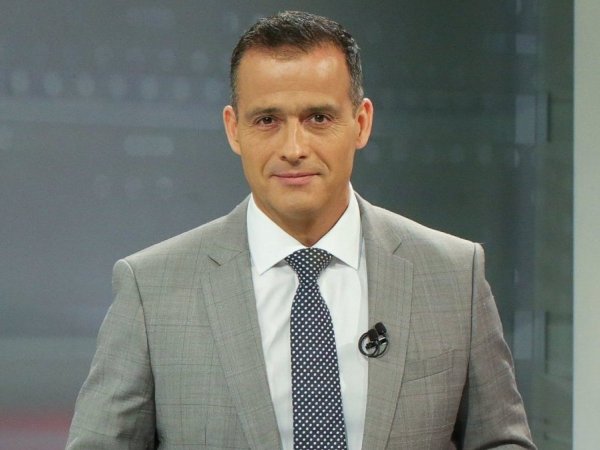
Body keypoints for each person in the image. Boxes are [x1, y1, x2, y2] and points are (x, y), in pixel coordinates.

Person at [66, 10, 536, 450]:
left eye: (318, 118)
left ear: (361, 123)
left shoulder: (453, 274)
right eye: (267, 120)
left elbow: (500, 441)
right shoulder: (151, 289)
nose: (294, 148)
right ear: (234, 130)